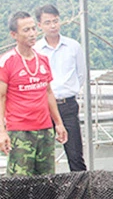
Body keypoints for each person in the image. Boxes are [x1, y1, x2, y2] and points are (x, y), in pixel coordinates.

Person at [0, 11, 68, 176]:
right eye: (26, 30)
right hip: (20, 131)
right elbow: (1, 98)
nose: (32, 34)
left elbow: (48, 92)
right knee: (19, 183)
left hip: (44, 129)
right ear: (14, 34)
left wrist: (58, 123)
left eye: (33, 29)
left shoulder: (42, 60)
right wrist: (2, 132)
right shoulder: (7, 62)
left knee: (46, 182)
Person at [34, 4, 87, 172]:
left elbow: (81, 75)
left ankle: (82, 195)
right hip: (43, 107)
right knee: (43, 156)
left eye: (55, 21)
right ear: (40, 25)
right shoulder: (36, 50)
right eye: (48, 22)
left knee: (75, 155)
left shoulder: (73, 46)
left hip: (67, 105)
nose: (52, 26)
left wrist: (70, 91)